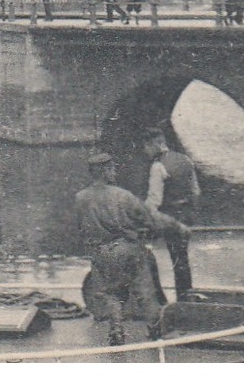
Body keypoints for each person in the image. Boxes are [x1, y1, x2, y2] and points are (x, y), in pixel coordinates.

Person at [74, 152, 188, 346]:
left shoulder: (80, 198)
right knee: (145, 291)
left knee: (111, 293)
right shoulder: (122, 196)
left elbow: (81, 228)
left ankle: (117, 330)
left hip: (102, 252)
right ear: (106, 171)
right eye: (112, 169)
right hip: (129, 249)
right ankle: (155, 329)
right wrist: (177, 226)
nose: (114, 172)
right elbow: (149, 218)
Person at [141, 128, 200, 297]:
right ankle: (185, 295)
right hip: (185, 216)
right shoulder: (185, 160)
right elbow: (195, 191)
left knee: (148, 252)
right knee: (181, 258)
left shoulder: (157, 166)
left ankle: (159, 297)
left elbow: (154, 201)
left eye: (146, 147)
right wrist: (191, 214)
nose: (145, 152)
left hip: (169, 218)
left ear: (154, 145)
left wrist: (142, 217)